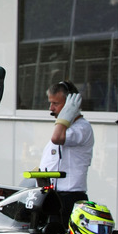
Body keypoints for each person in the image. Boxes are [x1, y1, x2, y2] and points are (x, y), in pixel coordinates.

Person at [38, 80, 94, 223]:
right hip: (54, 195)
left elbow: (57, 138)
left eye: (56, 104)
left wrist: (65, 117)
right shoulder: (65, 128)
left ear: (70, 104)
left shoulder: (82, 128)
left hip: (70, 197)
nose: (51, 108)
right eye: (50, 103)